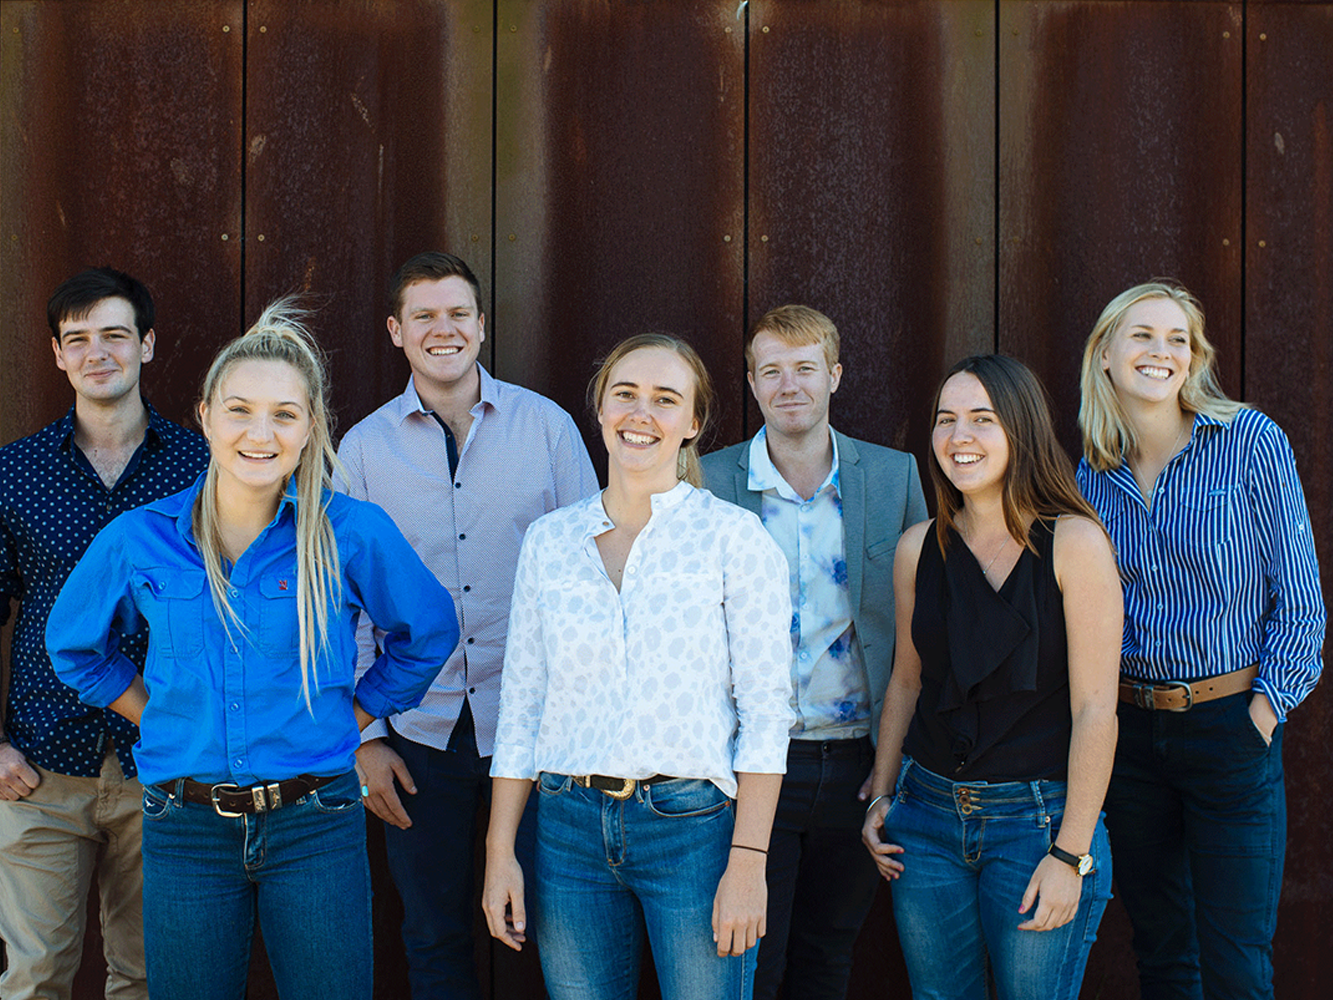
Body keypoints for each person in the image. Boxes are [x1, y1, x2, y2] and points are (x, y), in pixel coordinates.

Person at [45, 299, 460, 1000]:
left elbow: (428, 633)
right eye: (239, 410)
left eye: (284, 415)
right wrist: (162, 717)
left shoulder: (349, 530)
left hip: (315, 824)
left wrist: (352, 716)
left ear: (309, 428)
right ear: (205, 416)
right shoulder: (140, 537)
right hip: (184, 830)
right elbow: (76, 647)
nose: (259, 433)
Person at [482, 333, 794, 1000]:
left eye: (664, 399)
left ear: (693, 424)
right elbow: (522, 706)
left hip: (694, 829)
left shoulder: (734, 538)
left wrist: (748, 861)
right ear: (599, 409)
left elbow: (767, 713)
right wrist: (499, 850)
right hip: (565, 829)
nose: (640, 414)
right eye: (624, 395)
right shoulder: (550, 541)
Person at [335, 251, 598, 999]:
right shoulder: (359, 450)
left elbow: (594, 572)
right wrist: (366, 738)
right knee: (433, 935)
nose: (441, 330)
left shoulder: (547, 428)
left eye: (457, 314)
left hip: (544, 731)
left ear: (481, 326)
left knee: (557, 930)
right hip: (418, 736)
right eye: (423, 315)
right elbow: (344, 607)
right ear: (395, 331)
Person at [1075, 281, 1325, 1000]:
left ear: (1193, 358)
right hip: (1127, 739)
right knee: (1161, 954)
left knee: (1235, 962)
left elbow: (1300, 603)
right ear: (1106, 356)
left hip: (1230, 728)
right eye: (1142, 337)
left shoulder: (1248, 441)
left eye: (1176, 339)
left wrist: (1262, 714)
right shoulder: (1088, 473)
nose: (1161, 352)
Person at [862, 354, 1122, 1000]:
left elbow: (1097, 710)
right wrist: (879, 793)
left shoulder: (1074, 544)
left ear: (1021, 431)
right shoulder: (916, 548)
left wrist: (1070, 855)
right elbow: (905, 682)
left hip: (1036, 826)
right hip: (923, 824)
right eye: (945, 420)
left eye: (982, 419)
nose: (959, 437)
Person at [700, 304, 926, 1000]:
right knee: (745, 960)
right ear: (750, 382)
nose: (788, 384)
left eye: (804, 368)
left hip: (858, 761)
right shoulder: (706, 480)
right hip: (748, 764)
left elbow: (924, 627)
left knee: (827, 958)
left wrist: (896, 769)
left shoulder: (891, 477)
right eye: (771, 370)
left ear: (834, 375)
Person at [0, 267, 208, 1000]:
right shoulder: (12, 473)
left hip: (169, 762)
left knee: (152, 978)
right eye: (78, 340)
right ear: (57, 355)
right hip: (39, 769)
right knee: (34, 979)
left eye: (115, 335)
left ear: (147, 345)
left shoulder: (204, 468)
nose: (99, 353)